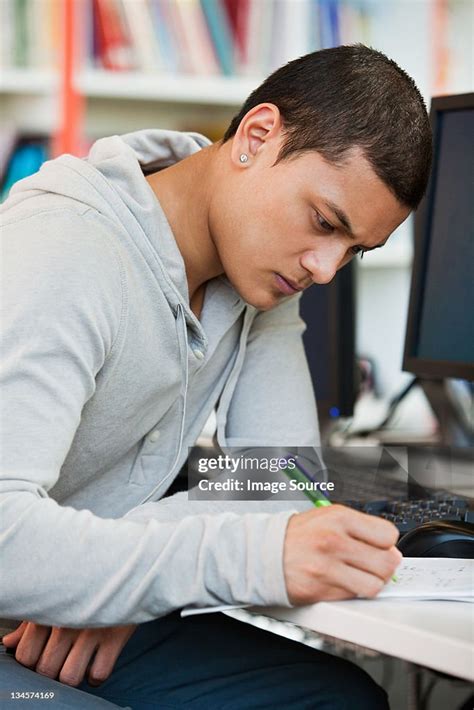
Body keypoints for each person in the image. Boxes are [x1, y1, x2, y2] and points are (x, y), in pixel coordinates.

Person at [0, 44, 431, 708]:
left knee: (343, 701)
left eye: (353, 250)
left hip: (65, 605)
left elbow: (287, 477)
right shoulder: (64, 250)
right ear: (257, 137)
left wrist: (134, 581)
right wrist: (235, 557)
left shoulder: (256, 272)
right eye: (323, 222)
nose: (324, 268)